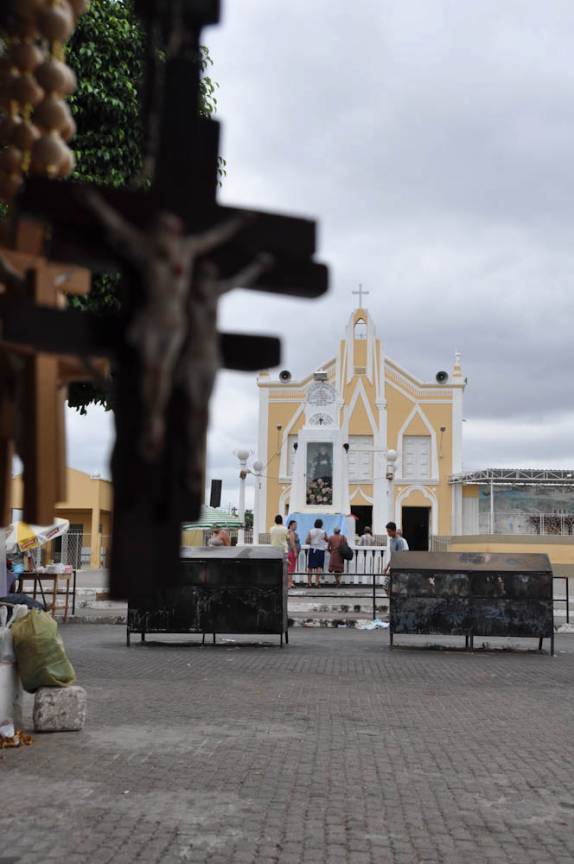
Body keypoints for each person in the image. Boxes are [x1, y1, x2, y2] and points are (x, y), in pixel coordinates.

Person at [383, 521, 408, 591]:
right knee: (386, 586)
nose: (388, 533)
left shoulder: (400, 541)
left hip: (399, 567)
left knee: (398, 588)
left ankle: (395, 601)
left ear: (394, 530)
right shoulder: (391, 540)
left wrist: (392, 569)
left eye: (389, 531)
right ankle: (393, 601)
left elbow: (400, 556)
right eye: (387, 531)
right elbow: (393, 556)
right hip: (393, 566)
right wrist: (387, 567)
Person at [305, 518, 327, 587]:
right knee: (319, 567)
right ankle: (317, 582)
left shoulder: (311, 531)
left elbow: (307, 541)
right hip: (320, 550)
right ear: (321, 525)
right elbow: (327, 540)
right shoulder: (323, 532)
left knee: (310, 567)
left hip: (313, 550)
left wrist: (312, 541)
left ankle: (309, 582)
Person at [287, 519, 300, 588]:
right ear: (290, 525)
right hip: (291, 552)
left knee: (290, 568)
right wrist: (295, 552)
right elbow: (292, 543)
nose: (296, 526)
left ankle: (290, 582)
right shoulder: (291, 532)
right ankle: (289, 583)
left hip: (290, 552)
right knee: (291, 568)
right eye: (295, 525)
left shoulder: (289, 532)